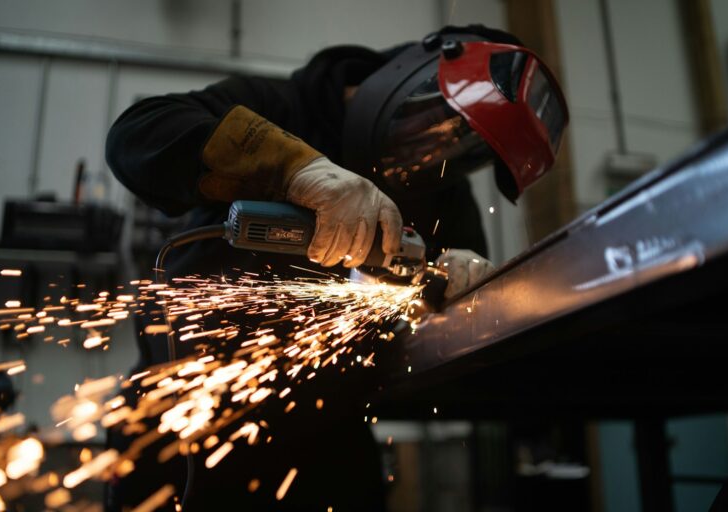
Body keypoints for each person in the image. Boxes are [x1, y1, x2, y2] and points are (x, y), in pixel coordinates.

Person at [105, 24, 568, 511]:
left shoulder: (441, 186)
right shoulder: (282, 106)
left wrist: (461, 284)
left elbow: (452, 317)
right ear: (412, 73)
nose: (439, 149)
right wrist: (294, 168)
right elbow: (136, 133)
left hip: (325, 438)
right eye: (443, 123)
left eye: (466, 148)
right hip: (182, 423)